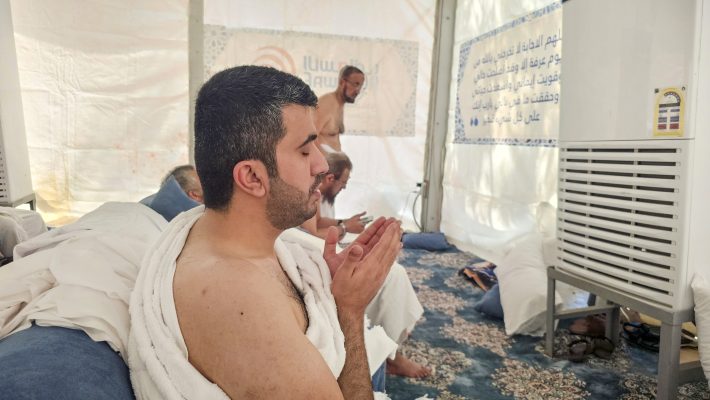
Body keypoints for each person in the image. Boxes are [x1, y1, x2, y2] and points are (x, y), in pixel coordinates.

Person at [128, 66, 403, 399]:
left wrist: (328, 284)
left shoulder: (228, 234)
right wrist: (349, 308)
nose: (321, 166)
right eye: (305, 151)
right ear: (252, 178)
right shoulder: (238, 303)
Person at [301, 151, 430, 379]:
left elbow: (318, 222)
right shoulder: (306, 188)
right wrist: (344, 229)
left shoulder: (315, 193)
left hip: (317, 245)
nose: (344, 188)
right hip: (311, 249)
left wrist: (344, 223)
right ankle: (391, 353)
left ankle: (394, 330)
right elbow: (312, 232)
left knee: (389, 264)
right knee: (393, 273)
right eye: (343, 182)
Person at [315, 65, 365, 152]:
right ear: (342, 82)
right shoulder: (326, 103)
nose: (358, 91)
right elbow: (308, 138)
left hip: (333, 158)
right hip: (324, 159)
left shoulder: (340, 104)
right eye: (355, 84)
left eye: (360, 86)